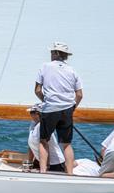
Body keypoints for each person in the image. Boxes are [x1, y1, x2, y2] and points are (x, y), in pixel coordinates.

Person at [34, 42, 83, 175]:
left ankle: (43, 171)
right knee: (66, 143)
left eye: (52, 52)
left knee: (44, 140)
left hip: (50, 108)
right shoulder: (72, 71)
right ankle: (70, 174)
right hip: (67, 109)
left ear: (55, 53)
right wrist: (72, 107)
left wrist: (46, 100)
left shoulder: (44, 67)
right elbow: (79, 94)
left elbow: (37, 90)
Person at [26, 103, 66, 172]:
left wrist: (46, 167)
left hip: (55, 164)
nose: (30, 114)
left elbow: (45, 146)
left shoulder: (43, 126)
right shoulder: (33, 124)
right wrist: (29, 163)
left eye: (32, 112)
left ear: (38, 114)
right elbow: (31, 146)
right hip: (41, 161)